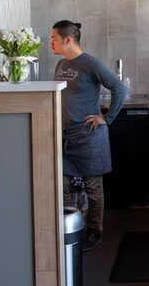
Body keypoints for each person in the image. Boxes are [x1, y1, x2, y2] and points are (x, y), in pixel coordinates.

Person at [51, 20, 127, 252]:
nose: (51, 43)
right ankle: (69, 228)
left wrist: (107, 117)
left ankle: (95, 232)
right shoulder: (61, 65)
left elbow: (119, 87)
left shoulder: (89, 63)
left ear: (68, 39)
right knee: (61, 185)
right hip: (66, 139)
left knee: (93, 188)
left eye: (54, 39)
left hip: (90, 137)